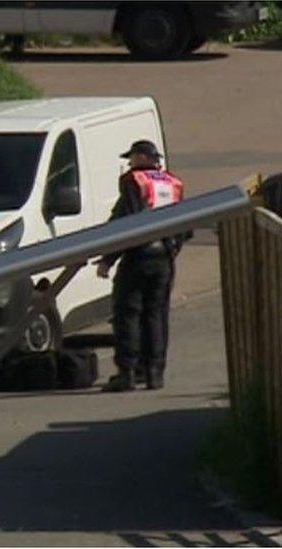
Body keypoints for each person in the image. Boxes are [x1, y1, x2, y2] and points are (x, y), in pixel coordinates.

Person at [96, 140, 189, 392]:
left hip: (138, 256)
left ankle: (127, 372)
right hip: (164, 259)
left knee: (128, 313)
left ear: (142, 157)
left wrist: (108, 258)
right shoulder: (173, 182)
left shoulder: (134, 180)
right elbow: (186, 224)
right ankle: (154, 373)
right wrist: (173, 248)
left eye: (132, 157)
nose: (130, 163)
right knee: (156, 315)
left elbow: (126, 222)